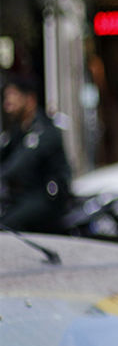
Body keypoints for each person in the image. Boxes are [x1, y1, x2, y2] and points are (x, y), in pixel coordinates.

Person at [0, 75, 73, 233]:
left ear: (30, 99)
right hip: (23, 196)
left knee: (7, 225)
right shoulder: (17, 131)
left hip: (47, 197)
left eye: (13, 96)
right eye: (6, 98)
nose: (7, 104)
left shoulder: (44, 130)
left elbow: (19, 163)